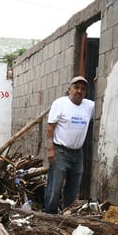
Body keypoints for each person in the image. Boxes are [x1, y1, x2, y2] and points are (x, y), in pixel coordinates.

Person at [43, 76, 95, 214]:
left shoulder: (89, 106)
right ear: (69, 89)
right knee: (55, 185)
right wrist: (50, 149)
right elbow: (50, 128)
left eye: (83, 89)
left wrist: (99, 81)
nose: (79, 91)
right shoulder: (60, 103)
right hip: (61, 151)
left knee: (73, 187)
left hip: (78, 153)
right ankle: (49, 214)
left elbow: (105, 100)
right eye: (76, 87)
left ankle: (67, 215)